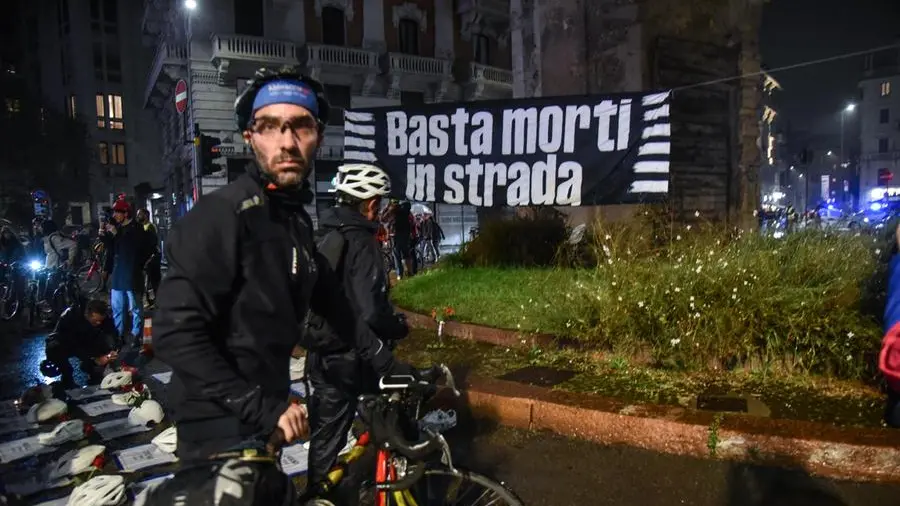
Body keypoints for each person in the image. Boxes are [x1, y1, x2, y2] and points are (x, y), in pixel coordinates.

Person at [152, 66, 415, 467]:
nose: (287, 142)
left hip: (264, 428)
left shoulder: (295, 223)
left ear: (318, 137)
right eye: (270, 126)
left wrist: (388, 362)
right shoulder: (222, 215)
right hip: (218, 437)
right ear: (250, 136)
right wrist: (262, 408)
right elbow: (174, 334)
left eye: (301, 127)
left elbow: (338, 308)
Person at [306, 163, 410, 492]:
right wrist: (397, 326)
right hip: (353, 357)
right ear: (370, 204)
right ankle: (400, 484)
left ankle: (320, 494)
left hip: (321, 355)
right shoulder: (362, 242)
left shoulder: (326, 234)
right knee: (395, 417)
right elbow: (370, 311)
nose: (380, 210)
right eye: (379, 203)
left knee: (326, 440)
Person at [104, 198, 154, 344]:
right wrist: (105, 236)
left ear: (125, 213)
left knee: (135, 307)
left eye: (117, 212)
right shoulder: (118, 229)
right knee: (117, 308)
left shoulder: (136, 229)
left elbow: (133, 249)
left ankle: (136, 334)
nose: (114, 216)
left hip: (132, 274)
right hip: (118, 274)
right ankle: (118, 335)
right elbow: (112, 251)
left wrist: (116, 235)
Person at [44, 299, 119, 387]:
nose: (99, 323)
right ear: (87, 314)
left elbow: (112, 333)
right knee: (54, 347)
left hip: (87, 339)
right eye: (96, 321)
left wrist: (112, 350)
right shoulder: (69, 317)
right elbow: (73, 344)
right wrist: (93, 359)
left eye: (101, 321)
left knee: (101, 342)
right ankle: (67, 378)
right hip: (66, 342)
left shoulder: (103, 318)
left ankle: (94, 373)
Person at [136, 209, 161, 307]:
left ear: (145, 215)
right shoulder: (143, 227)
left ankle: (156, 301)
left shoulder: (149, 227)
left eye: (140, 214)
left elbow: (151, 243)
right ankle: (151, 300)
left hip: (152, 257)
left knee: (153, 280)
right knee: (149, 280)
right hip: (149, 257)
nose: (137, 216)